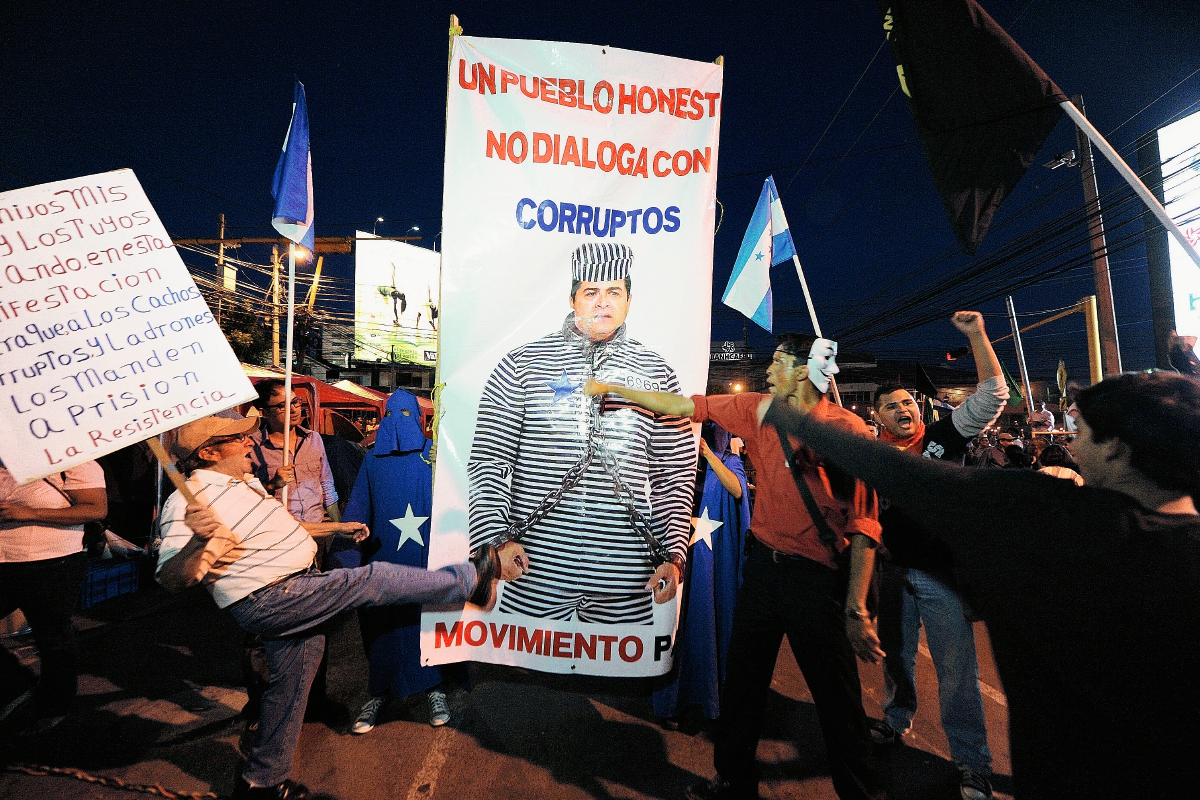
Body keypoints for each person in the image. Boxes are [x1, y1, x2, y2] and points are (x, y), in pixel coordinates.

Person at [758, 371, 1200, 800]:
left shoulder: (1046, 517)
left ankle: (971, 760)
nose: (1072, 447)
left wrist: (790, 418)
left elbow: (903, 477)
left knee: (956, 671)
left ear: (1116, 450)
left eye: (1080, 432)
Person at [156, 413, 524, 800]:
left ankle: (261, 781)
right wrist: (198, 541)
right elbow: (169, 578)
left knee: (292, 684)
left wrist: (336, 528)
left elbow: (282, 529)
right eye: (238, 438)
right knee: (373, 579)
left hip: (296, 586)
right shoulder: (188, 501)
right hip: (275, 596)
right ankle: (471, 578)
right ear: (209, 452)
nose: (252, 442)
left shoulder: (242, 484)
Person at [587, 334, 885, 800]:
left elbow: (865, 525)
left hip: (817, 584)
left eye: (778, 362)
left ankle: (861, 793)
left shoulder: (848, 432)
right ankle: (733, 783)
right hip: (762, 572)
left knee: (838, 702)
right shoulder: (758, 409)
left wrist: (855, 607)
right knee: (743, 687)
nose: (768, 372)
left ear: (805, 368)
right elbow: (686, 406)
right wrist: (616, 390)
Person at [468, 242, 693, 624]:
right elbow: (489, 462)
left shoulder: (658, 374)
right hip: (534, 579)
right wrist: (494, 542)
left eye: (614, 292)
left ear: (628, 300)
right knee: (527, 680)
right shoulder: (521, 365)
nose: (602, 303)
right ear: (573, 299)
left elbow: (674, 474)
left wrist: (672, 556)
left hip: (627, 584)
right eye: (591, 292)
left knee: (618, 683)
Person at [869, 311, 1007, 800]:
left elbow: (992, 396)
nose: (905, 409)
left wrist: (976, 336)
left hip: (940, 577)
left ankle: (972, 764)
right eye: (894, 405)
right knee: (896, 658)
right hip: (891, 573)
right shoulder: (871, 455)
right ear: (877, 417)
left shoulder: (942, 440)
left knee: (956, 675)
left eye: (909, 402)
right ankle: (894, 720)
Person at [331, 390, 457, 732]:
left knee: (426, 623)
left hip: (426, 560)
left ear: (419, 420)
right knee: (381, 626)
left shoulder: (435, 458)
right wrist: (345, 564)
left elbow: (454, 504)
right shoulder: (372, 461)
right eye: (393, 416)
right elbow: (358, 511)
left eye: (407, 416)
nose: (400, 424)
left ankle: (434, 688)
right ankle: (379, 690)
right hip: (382, 561)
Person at [651, 418, 750, 724]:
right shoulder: (675, 462)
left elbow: (736, 491)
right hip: (681, 560)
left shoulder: (729, 460)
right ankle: (671, 702)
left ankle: (708, 700)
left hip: (711, 562)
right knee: (674, 629)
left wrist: (708, 455)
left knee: (707, 623)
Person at [0, 460, 107, 736]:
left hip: (54, 562)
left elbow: (96, 508)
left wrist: (28, 513)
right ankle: (18, 688)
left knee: (52, 636)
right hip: (3, 560)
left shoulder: (71, 458)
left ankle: (55, 707)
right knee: (52, 636)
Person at [249, 379, 340, 524]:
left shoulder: (313, 439)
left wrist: (337, 528)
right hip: (280, 532)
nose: (293, 409)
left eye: (295, 402)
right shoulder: (252, 446)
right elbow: (245, 496)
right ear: (264, 412)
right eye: (282, 405)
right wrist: (272, 485)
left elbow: (327, 486)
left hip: (316, 528)